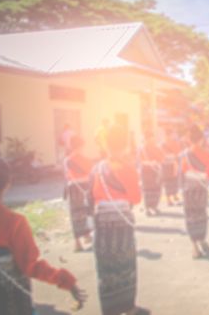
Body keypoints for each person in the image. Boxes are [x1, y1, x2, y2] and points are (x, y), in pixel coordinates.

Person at [0, 154, 86, 314]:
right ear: (7, 185)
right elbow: (30, 267)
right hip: (11, 303)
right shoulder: (15, 222)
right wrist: (65, 280)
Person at [89, 125, 146, 315]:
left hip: (101, 223)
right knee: (125, 264)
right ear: (125, 146)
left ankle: (109, 310)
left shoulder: (96, 169)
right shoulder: (127, 169)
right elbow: (136, 198)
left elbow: (89, 198)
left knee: (105, 268)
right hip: (122, 224)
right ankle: (128, 308)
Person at [180, 125, 209, 259]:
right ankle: (202, 240)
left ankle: (194, 247)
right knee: (201, 214)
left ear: (189, 139)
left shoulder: (183, 155)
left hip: (188, 190)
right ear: (201, 139)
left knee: (190, 216)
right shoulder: (208, 155)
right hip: (201, 189)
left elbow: (180, 174)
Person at [63, 136, 94, 252]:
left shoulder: (67, 161)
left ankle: (78, 242)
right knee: (85, 212)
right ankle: (86, 237)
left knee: (75, 214)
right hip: (84, 188)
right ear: (81, 146)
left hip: (73, 188)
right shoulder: (86, 160)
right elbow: (91, 175)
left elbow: (67, 177)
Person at [138, 130, 164, 216]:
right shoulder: (141, 149)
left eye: (152, 139)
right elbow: (140, 161)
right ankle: (147, 208)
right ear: (145, 139)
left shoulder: (156, 148)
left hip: (156, 170)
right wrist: (149, 163)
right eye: (149, 139)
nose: (151, 141)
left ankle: (154, 206)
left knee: (157, 189)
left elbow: (161, 157)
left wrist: (157, 162)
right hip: (146, 171)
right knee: (147, 190)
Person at [161, 129, 182, 205]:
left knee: (173, 180)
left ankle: (174, 195)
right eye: (168, 135)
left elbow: (178, 153)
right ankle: (168, 199)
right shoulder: (163, 144)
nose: (169, 137)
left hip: (172, 164)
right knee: (168, 182)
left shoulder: (173, 143)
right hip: (167, 164)